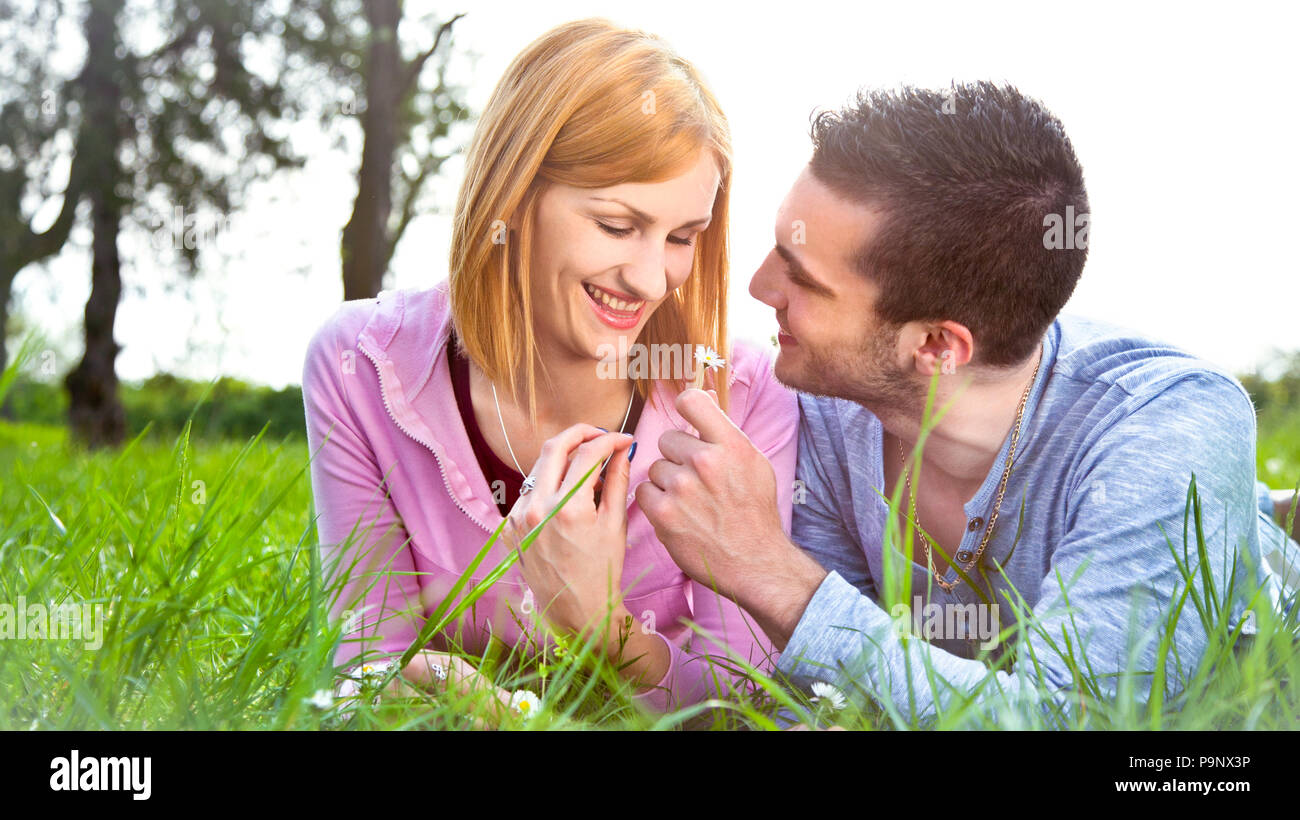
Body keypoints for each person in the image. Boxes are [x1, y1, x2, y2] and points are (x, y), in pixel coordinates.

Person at [637, 81, 1292, 724]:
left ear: (935, 345)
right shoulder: (827, 411)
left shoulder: (1166, 425)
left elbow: (1066, 721)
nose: (758, 287)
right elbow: (825, 706)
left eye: (800, 275)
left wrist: (774, 576)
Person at [300, 18, 796, 719]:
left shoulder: (738, 396)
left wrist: (602, 628)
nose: (651, 279)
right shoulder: (360, 366)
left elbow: (742, 705)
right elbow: (368, 666)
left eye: (682, 237)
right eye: (617, 226)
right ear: (515, 197)